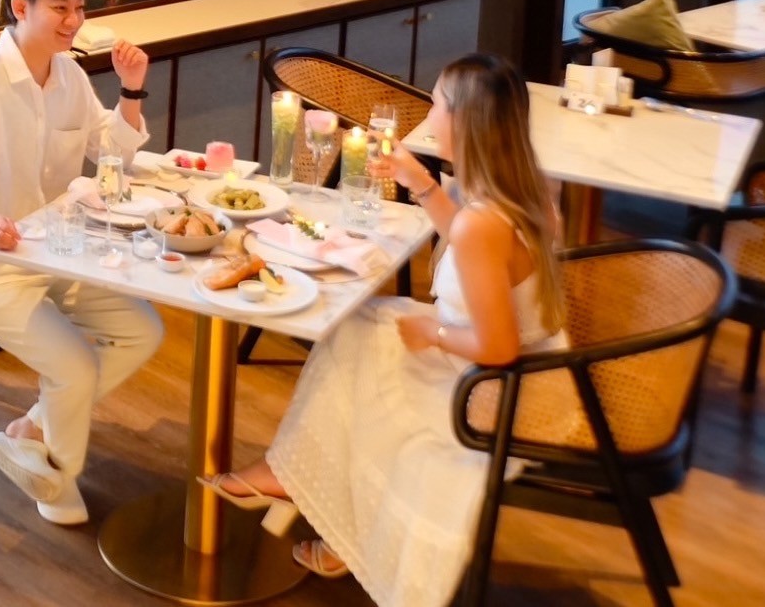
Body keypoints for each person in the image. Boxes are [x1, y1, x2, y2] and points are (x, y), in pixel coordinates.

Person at [201, 53, 567, 607]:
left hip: (496, 386)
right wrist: (422, 184)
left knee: (368, 363)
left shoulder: (481, 224)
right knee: (357, 330)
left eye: (440, 104)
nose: (429, 113)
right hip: (536, 360)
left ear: (465, 121)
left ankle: (305, 496)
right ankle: (293, 484)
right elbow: (478, 261)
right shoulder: (520, 191)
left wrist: (432, 335)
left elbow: (498, 345)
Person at [0, 0, 164, 526]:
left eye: (79, 8)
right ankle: (56, 485)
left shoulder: (70, 75)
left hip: (59, 252)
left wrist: (131, 90)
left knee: (142, 330)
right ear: (19, 6)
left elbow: (107, 155)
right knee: (76, 368)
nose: (73, 21)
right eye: (60, 8)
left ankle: (34, 426)